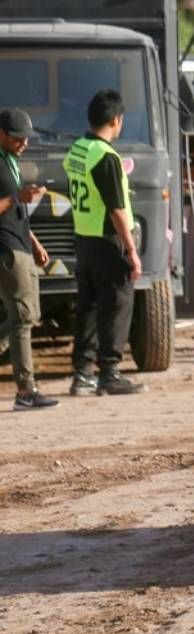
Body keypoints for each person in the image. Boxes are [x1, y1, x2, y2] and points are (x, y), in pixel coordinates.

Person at [63, 89, 145, 396]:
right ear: (116, 120)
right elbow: (117, 209)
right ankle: (110, 373)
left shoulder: (77, 150)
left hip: (83, 239)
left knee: (87, 307)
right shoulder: (107, 157)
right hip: (108, 240)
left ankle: (82, 374)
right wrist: (132, 251)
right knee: (116, 305)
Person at [0, 109, 58, 410]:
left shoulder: (11, 162)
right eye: (18, 138)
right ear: (1, 134)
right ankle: (26, 391)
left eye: (26, 138)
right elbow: (9, 204)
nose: (24, 143)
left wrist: (35, 242)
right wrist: (16, 198)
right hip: (7, 249)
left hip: (21, 246)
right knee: (21, 318)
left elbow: (16, 210)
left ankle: (27, 390)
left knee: (27, 316)